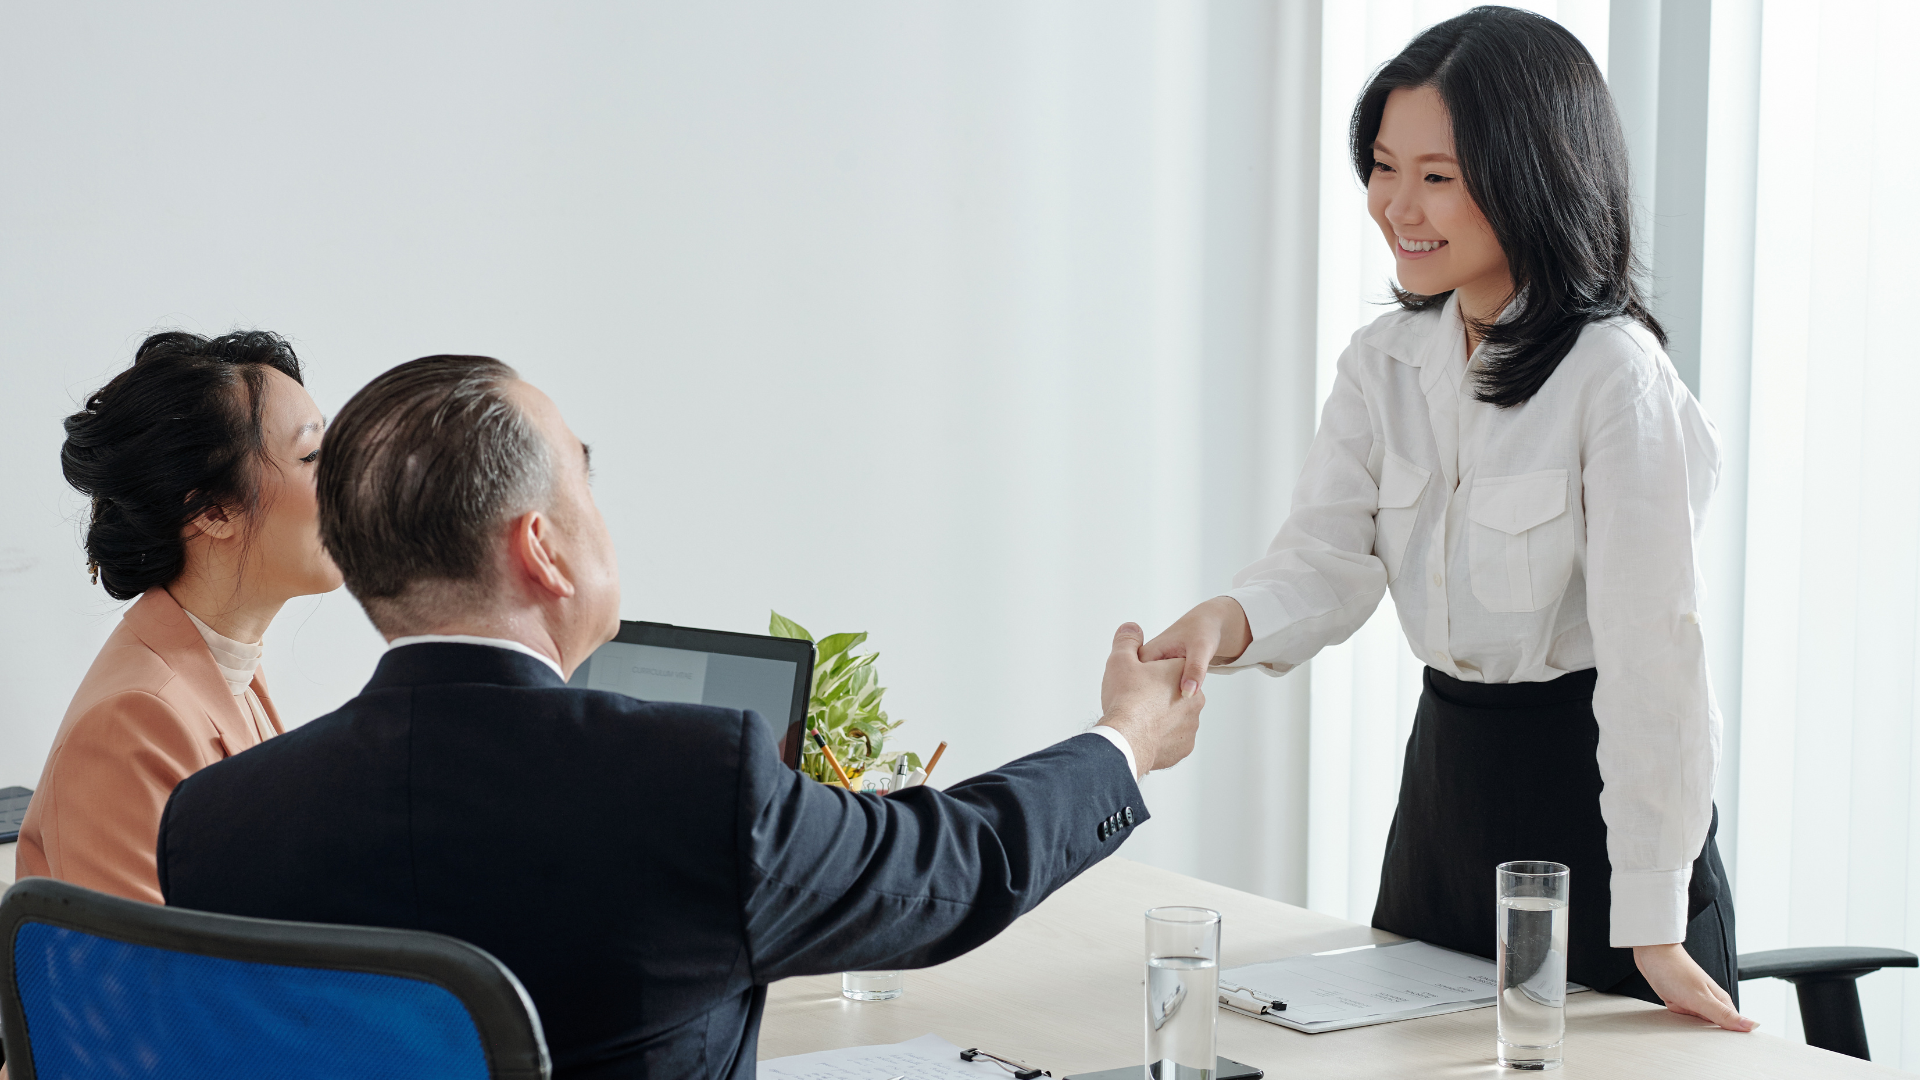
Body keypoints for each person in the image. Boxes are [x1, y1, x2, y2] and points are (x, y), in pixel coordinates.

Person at [157, 354, 1201, 1078]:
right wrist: (1129, 740)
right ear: (542, 549)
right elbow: (957, 864)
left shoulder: (215, 822)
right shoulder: (691, 783)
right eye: (586, 481)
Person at [1143, 7, 1752, 1032]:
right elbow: (1327, 559)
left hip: (1596, 814)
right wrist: (1223, 622)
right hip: (1445, 802)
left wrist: (1653, 925)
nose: (1397, 206)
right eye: (1384, 167)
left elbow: (1656, 664)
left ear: (1532, 176)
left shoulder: (1615, 377)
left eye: (1437, 175)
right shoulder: (1382, 361)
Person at [18, 330, 341, 903]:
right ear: (211, 511)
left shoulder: (231, 667)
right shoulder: (129, 722)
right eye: (312, 455)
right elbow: (138, 962)